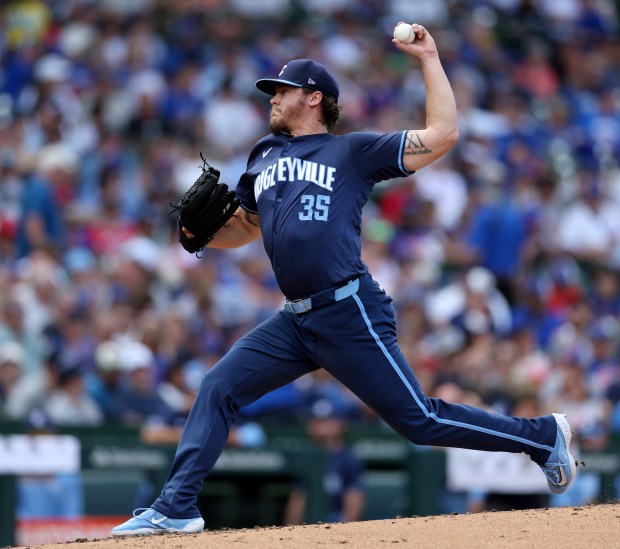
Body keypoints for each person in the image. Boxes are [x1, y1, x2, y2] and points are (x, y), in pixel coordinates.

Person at [112, 23, 576, 536]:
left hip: (348, 308)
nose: (273, 97)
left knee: (418, 420)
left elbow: (442, 135)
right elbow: (243, 228)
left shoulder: (352, 152)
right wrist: (198, 237)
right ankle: (177, 506)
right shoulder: (264, 153)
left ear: (313, 99)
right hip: (296, 320)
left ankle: (541, 436)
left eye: (282, 90)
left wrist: (429, 59)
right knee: (219, 385)